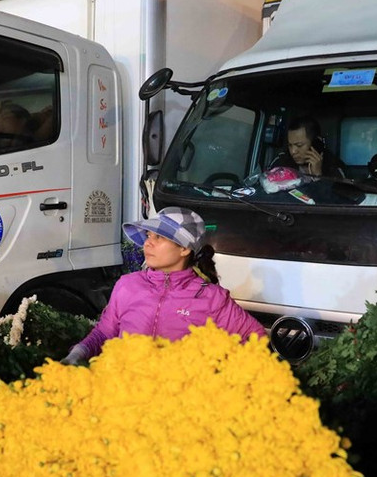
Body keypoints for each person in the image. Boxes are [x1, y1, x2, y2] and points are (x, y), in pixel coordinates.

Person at [61, 207, 266, 365]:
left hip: (175, 402)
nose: (147, 244)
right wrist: (79, 353)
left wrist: (214, 372)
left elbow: (256, 338)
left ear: (185, 249)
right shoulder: (128, 285)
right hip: (123, 392)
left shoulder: (211, 298)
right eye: (148, 236)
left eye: (158, 237)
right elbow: (104, 333)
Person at [272, 115, 345, 177]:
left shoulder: (333, 167)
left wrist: (319, 176)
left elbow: (338, 192)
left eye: (299, 145)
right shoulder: (281, 162)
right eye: (290, 145)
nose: (293, 151)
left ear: (315, 143)